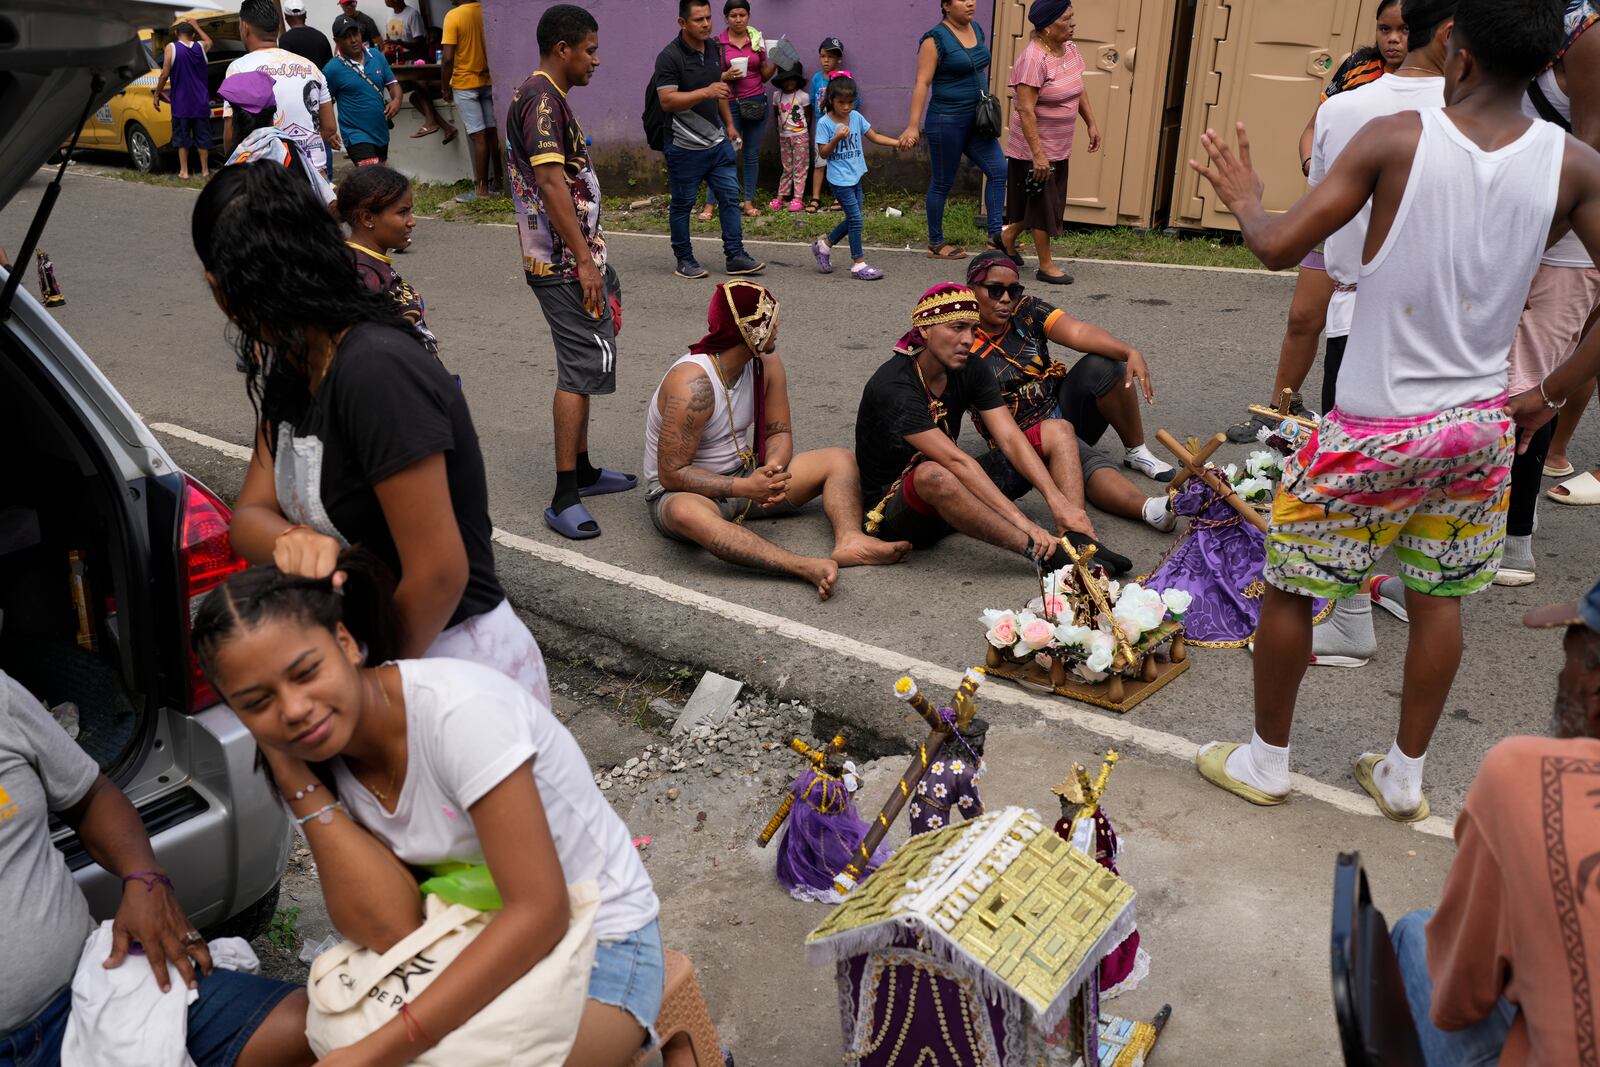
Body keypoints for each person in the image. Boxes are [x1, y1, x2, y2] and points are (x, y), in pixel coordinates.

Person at [1187, 0, 1600, 822]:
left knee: (1290, 587)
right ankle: (1405, 778)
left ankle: (1268, 761)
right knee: (1436, 598)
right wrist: (1546, 396)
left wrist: (1245, 197)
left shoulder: (1394, 139)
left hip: (1371, 427)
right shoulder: (1574, 164)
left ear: (1459, 52)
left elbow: (1277, 247)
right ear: (1552, 64)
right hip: (1478, 430)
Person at [190, 560, 663, 1066]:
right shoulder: (323, 754)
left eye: (305, 672)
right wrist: (292, 774)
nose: (294, 708)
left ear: (345, 643)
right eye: (257, 702)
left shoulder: (460, 714)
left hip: (600, 939)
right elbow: (389, 927)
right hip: (460, 937)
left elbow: (539, 912)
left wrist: (382, 1047)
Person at [190, 160, 553, 707]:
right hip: (368, 657)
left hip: (449, 667)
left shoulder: (375, 370)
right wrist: (291, 540)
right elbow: (249, 517)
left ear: (221, 288)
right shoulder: (297, 362)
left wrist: (366, 690)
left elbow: (438, 574)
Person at [0, 670, 315, 1067]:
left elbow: (90, 795)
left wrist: (145, 877)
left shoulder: (3, 697)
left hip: (92, 991)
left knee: (313, 1030)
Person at [1283, 0, 1450, 666]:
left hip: (1368, 315)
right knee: (1434, 466)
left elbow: (1314, 223)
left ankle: (1351, 614)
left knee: (1356, 471)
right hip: (1457, 332)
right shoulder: (1506, 123)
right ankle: (1415, 587)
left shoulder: (1347, 110)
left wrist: (1246, 206)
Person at [1387, 577, 1600, 1066]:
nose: (1561, 681)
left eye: (1566, 665)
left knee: (1418, 934)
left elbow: (1461, 1001)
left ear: (1593, 687)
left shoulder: (1526, 774)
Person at [644, 281, 911, 600]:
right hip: (686, 492)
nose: (778, 324)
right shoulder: (692, 384)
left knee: (839, 459)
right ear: (750, 330)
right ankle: (802, 567)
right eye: (770, 318)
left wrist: (771, 471)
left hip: (747, 479)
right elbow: (671, 473)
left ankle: (850, 540)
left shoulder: (765, 362)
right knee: (688, 513)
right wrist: (745, 488)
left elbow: (779, 431)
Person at [1225, 0, 1408, 442]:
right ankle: (1281, 408)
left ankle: (1363, 428)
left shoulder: (1439, 85)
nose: (1394, 39)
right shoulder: (1357, 68)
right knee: (1304, 318)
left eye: (1403, 30)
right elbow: (1312, 128)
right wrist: (1313, 165)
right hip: (1333, 218)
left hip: (1385, 228)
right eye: (1385, 28)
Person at [854, 283, 1131, 575]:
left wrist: (1059, 504)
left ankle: (1078, 538)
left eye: (972, 330)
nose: (967, 340)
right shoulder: (893, 385)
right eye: (957, 328)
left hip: (957, 489)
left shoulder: (970, 366)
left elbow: (1010, 437)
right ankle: (1044, 554)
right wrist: (1024, 523)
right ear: (925, 330)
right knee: (934, 473)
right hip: (900, 513)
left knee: (1058, 429)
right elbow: (955, 461)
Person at [507, 5, 635, 542]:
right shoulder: (541, 100)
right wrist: (583, 261)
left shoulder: (548, 97)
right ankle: (564, 496)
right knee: (579, 367)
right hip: (562, 262)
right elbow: (552, 184)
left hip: (576, 256)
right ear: (563, 48)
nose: (596, 60)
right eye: (590, 50)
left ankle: (582, 470)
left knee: (585, 359)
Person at [966, 251, 1180, 504]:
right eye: (995, 290)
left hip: (1057, 409)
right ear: (971, 290)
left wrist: (1130, 351)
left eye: (1013, 290)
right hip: (1019, 436)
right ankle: (1147, 508)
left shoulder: (1027, 309)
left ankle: (1136, 451)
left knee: (1105, 366)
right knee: (1087, 460)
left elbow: (1077, 332)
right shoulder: (960, 336)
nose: (1006, 299)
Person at [1539, 0, 1600, 508]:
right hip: (1559, 205)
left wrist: (1539, 237)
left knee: (1581, 340)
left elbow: (1591, 140)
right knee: (1578, 339)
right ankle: (1554, 452)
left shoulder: (1587, 25)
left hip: (1576, 213)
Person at [656, 0, 766, 280]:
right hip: (684, 146)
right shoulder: (669, 57)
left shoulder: (716, 50)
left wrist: (729, 124)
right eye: (698, 20)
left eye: (708, 18)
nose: (706, 24)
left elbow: (720, 92)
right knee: (682, 204)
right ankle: (684, 259)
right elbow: (667, 100)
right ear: (682, 23)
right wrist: (705, 92)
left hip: (717, 143)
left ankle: (735, 255)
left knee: (730, 196)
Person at [899, 0, 1009, 261]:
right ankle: (936, 243)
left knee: (998, 170)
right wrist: (913, 125)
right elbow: (922, 83)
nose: (971, 2)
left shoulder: (977, 29)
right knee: (942, 182)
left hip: (977, 120)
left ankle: (996, 237)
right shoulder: (934, 39)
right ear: (946, 6)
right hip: (946, 121)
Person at [998, 0, 1098, 284]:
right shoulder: (1033, 60)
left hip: (1059, 146)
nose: (1072, 23)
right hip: (1034, 149)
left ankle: (1005, 237)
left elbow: (1078, 87)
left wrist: (1091, 122)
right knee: (1042, 204)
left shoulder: (1069, 49)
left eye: (1072, 17)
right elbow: (1026, 110)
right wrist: (1038, 155)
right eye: (1066, 19)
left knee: (1042, 201)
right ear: (1046, 27)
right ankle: (1046, 265)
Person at [224, 0, 338, 173]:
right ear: (277, 27)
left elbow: (230, 134)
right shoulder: (310, 67)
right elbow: (330, 127)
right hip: (314, 174)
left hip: (268, 177)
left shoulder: (239, 69)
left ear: (245, 27)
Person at [338, 165, 436, 356]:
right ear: (367, 218)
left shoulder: (369, 263)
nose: (412, 221)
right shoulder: (360, 274)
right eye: (402, 212)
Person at [809, 76, 900, 281]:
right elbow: (823, 153)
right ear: (831, 99)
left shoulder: (856, 117)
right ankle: (858, 264)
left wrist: (897, 143)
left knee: (853, 219)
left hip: (856, 175)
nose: (846, 106)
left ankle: (823, 246)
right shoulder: (824, 123)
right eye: (841, 102)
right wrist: (837, 138)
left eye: (850, 102)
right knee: (857, 219)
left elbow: (875, 136)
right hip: (839, 180)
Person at [219, 70, 338, 208]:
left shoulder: (234, 155)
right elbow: (304, 198)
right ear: (273, 110)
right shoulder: (284, 149)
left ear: (235, 116)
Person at [718, 0, 776, 218]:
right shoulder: (719, 44)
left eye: (742, 15)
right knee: (725, 154)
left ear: (748, 16)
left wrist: (777, 61)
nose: (738, 19)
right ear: (726, 18)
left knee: (751, 154)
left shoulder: (756, 40)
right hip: (730, 105)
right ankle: (717, 203)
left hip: (756, 103)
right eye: (733, 15)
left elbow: (764, 75)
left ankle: (748, 202)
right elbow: (712, 76)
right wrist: (725, 75)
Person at [442, 0, 502, 203]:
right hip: (487, 80)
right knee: (492, 133)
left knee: (479, 136)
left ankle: (482, 189)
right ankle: (500, 182)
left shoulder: (453, 16)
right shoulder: (485, 10)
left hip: (464, 83)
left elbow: (448, 58)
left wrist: (444, 87)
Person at [324, 14, 402, 166]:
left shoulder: (377, 56)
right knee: (374, 178)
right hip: (355, 135)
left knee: (379, 176)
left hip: (380, 131)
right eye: (347, 37)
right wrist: (330, 131)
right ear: (337, 42)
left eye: (355, 34)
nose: (353, 40)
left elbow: (393, 85)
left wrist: (397, 100)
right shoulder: (332, 69)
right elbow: (324, 102)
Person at [383, 0, 457, 141]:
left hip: (414, 65)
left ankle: (434, 123)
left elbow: (421, 44)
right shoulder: (389, 16)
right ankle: (445, 127)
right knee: (415, 95)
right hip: (399, 66)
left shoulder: (412, 14)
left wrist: (401, 44)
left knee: (418, 88)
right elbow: (390, 41)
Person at [153, 20, 215, 181]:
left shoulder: (171, 48)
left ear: (176, 34)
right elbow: (209, 41)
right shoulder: (200, 47)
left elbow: (164, 74)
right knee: (203, 137)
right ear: (193, 34)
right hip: (201, 102)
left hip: (181, 103)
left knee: (182, 139)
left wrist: (157, 94)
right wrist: (196, 26)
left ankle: (184, 172)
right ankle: (205, 170)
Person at [806, 36, 847, 213]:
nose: (826, 60)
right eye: (823, 56)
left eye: (830, 57)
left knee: (837, 163)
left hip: (837, 128)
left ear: (839, 59)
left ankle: (839, 197)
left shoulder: (843, 78)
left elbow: (855, 101)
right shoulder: (816, 79)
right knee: (820, 163)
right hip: (822, 129)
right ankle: (816, 197)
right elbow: (810, 101)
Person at [770, 63, 809, 211]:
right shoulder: (776, 96)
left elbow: (808, 116)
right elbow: (776, 114)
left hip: (800, 136)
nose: (788, 82)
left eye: (792, 79)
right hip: (784, 136)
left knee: (800, 168)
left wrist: (802, 132)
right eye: (785, 79)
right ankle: (781, 196)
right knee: (787, 167)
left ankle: (797, 198)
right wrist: (780, 131)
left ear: (798, 80)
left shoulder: (803, 96)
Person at [280, 2, 333, 70]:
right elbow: (330, 66)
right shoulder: (321, 36)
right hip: (322, 80)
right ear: (305, 15)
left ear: (286, 17)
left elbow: (285, 69)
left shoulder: (285, 40)